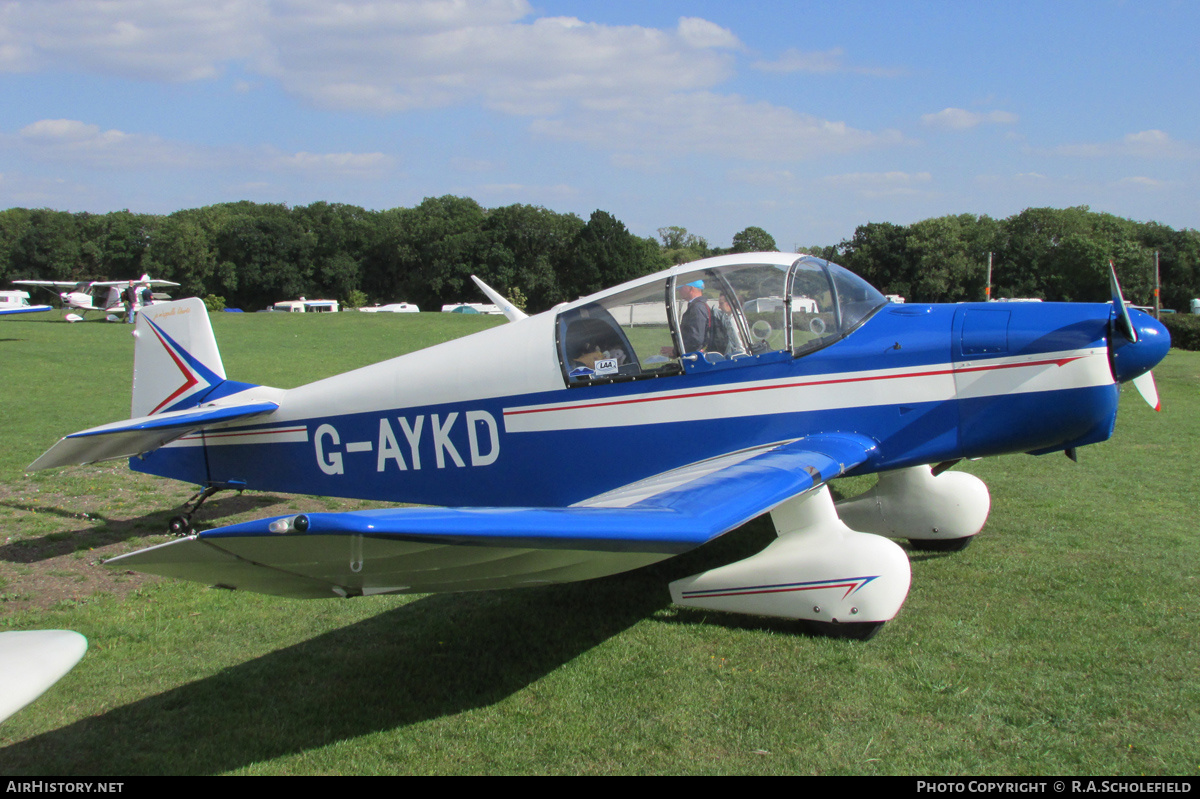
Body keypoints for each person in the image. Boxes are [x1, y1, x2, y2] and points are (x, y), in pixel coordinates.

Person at [661, 279, 711, 357]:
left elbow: (696, 339)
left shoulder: (697, 308)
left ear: (691, 288)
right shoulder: (698, 306)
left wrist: (676, 352)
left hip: (695, 358)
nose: (679, 291)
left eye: (681, 288)